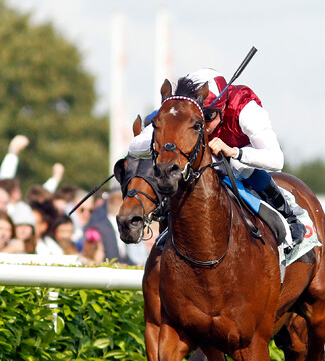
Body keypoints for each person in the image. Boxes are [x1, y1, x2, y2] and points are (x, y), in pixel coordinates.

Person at [128, 68, 306, 245]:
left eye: (208, 116)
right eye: (197, 118)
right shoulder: (177, 111)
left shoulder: (246, 111)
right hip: (208, 154)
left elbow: (276, 160)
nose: (203, 126)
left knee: (238, 167)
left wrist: (234, 152)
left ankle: (288, 215)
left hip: (244, 151)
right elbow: (134, 148)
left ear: (222, 107)